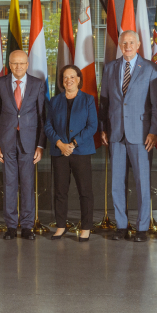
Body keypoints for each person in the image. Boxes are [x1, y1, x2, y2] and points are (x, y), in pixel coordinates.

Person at [99, 30, 157, 242]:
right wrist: (103, 128)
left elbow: (156, 105)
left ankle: (142, 228)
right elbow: (104, 101)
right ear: (120, 44)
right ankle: (121, 226)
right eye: (124, 42)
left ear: (138, 44)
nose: (127, 46)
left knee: (142, 183)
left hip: (142, 134)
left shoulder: (150, 68)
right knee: (117, 183)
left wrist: (154, 131)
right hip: (116, 133)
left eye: (131, 42)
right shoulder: (110, 68)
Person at [0, 49, 46, 241]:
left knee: (28, 184)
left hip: (29, 142)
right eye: (15, 63)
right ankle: (11, 226)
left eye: (22, 63)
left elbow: (42, 116)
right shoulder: (0, 83)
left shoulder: (38, 84)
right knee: (9, 184)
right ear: (9, 64)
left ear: (27, 64)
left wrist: (40, 145)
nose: (18, 66)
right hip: (6, 141)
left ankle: (28, 226)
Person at [45, 65, 97, 242]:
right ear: (62, 81)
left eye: (72, 77)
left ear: (79, 79)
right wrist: (60, 144)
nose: (69, 80)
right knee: (60, 191)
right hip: (59, 151)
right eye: (66, 77)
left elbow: (92, 126)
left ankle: (86, 228)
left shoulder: (88, 100)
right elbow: (48, 125)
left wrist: (73, 143)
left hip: (81, 151)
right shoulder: (55, 101)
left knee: (85, 191)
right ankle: (60, 226)